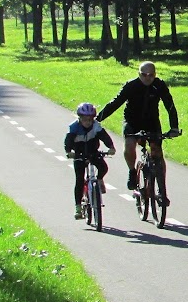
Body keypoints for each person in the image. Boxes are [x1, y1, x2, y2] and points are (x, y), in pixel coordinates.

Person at [96, 61, 180, 200]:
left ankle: (161, 188)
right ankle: (132, 171)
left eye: (151, 75)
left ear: (155, 74)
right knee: (130, 144)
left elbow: (169, 105)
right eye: (144, 74)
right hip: (132, 122)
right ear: (139, 74)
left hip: (151, 122)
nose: (147, 78)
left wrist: (174, 127)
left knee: (157, 152)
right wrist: (98, 119)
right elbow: (116, 102)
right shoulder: (131, 85)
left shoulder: (159, 85)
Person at [64, 102, 116, 219]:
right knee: (79, 180)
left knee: (103, 167)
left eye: (90, 119)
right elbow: (68, 142)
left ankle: (99, 180)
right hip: (79, 154)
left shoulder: (96, 126)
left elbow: (105, 137)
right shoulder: (74, 128)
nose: (87, 122)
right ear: (79, 118)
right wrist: (69, 151)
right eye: (84, 119)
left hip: (93, 152)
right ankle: (78, 207)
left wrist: (111, 147)